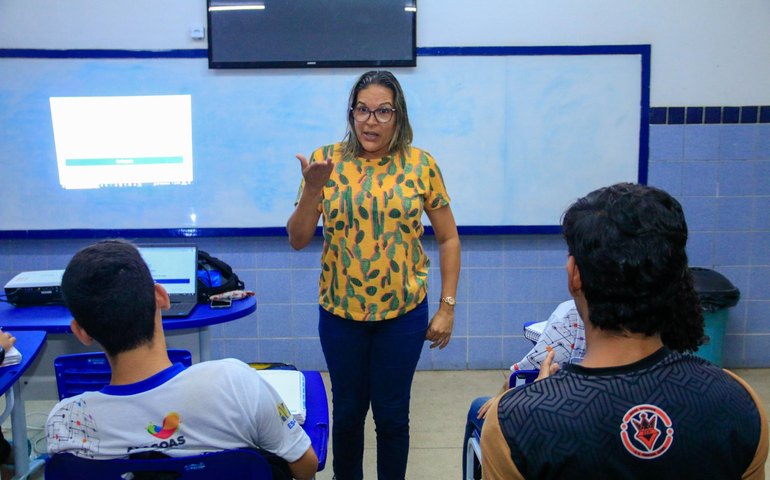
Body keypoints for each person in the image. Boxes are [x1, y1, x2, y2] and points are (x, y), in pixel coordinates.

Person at [481, 183, 768, 479]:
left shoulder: (517, 421)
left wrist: (538, 395)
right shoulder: (738, 402)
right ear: (677, 277)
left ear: (574, 275)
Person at [286, 70, 461, 480]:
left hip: (402, 316)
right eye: (362, 110)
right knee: (346, 416)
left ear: (398, 116)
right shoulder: (326, 161)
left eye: (383, 112)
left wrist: (447, 307)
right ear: (351, 113)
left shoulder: (421, 165)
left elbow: (449, 238)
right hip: (341, 316)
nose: (371, 121)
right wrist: (312, 190)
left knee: (392, 416)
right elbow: (297, 239)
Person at [46, 240, 318, 480]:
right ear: (161, 297)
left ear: (81, 332)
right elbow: (305, 466)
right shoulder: (234, 382)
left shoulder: (67, 422)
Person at [462, 300, 585, 479]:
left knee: (480, 408)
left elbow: (521, 377)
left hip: (561, 432)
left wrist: (528, 392)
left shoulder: (570, 314)